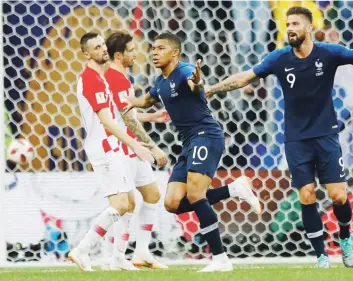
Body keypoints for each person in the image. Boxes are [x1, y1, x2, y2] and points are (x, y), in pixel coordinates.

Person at [205, 6, 353, 268]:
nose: (290, 28)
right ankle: (321, 256)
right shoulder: (279, 58)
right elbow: (243, 78)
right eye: (288, 24)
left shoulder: (330, 53)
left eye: (296, 23)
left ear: (309, 27)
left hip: (327, 136)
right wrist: (211, 90)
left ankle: (345, 238)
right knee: (306, 195)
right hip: (296, 139)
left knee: (339, 196)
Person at [125, 32, 261, 272]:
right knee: (172, 203)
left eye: (160, 48)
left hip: (205, 136)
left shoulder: (185, 71)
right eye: (153, 48)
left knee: (197, 195)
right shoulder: (160, 81)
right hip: (188, 142)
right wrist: (129, 102)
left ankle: (220, 260)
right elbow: (147, 100)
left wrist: (198, 81)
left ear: (174, 53)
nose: (154, 53)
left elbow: (195, 83)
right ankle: (233, 189)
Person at [67, 32, 154, 271]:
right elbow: (107, 122)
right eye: (96, 47)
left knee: (129, 202)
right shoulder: (92, 80)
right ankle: (82, 250)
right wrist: (135, 144)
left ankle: (117, 257)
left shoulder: (100, 77)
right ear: (86, 54)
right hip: (104, 148)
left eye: (103, 45)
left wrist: (147, 122)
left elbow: (117, 116)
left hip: (112, 146)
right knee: (120, 205)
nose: (103, 50)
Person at [103, 31, 169, 270]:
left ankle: (141, 252)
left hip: (132, 145)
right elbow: (126, 120)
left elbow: (126, 114)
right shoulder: (114, 79)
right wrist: (154, 146)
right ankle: (114, 255)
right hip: (123, 147)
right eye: (130, 50)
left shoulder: (122, 78)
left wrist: (151, 116)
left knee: (151, 195)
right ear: (119, 54)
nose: (135, 54)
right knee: (126, 203)